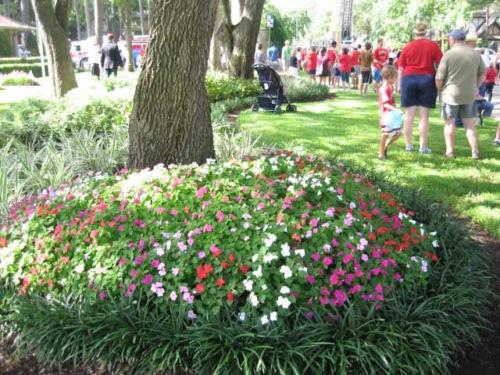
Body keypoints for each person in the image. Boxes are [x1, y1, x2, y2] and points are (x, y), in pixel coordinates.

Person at [435, 28, 486, 160]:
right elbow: (483, 75)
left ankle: (450, 152)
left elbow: (439, 78)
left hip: (451, 94)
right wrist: (476, 87)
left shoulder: (449, 54)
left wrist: (440, 90)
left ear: (452, 40)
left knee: (450, 122)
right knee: (469, 124)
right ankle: (475, 152)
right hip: (469, 94)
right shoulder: (475, 54)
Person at [398, 21, 443, 154]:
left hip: (409, 79)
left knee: (409, 114)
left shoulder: (408, 46)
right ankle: (423, 147)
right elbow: (440, 63)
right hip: (427, 79)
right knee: (424, 116)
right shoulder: (433, 45)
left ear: (415, 32)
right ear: (426, 32)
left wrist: (399, 85)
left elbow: (400, 68)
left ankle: (409, 145)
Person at [378, 65, 402, 160]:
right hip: (386, 115)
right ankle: (381, 153)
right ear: (390, 77)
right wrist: (396, 110)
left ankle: (385, 147)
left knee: (398, 133)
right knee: (385, 134)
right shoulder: (384, 88)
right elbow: (385, 104)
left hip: (392, 115)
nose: (396, 80)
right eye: (395, 78)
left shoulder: (389, 87)